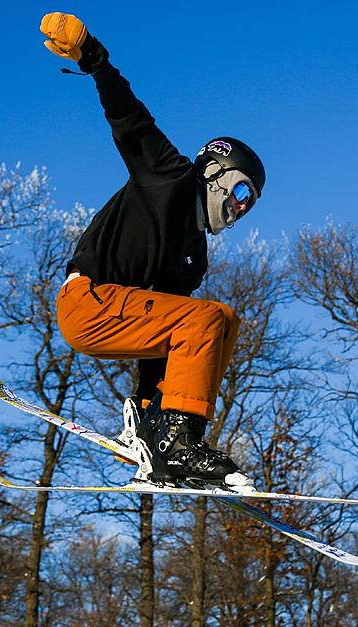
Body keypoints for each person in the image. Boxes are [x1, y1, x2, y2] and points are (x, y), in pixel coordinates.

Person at [40, 12, 266, 487]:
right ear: (217, 175)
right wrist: (93, 58)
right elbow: (130, 119)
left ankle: (158, 432)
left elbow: (165, 343)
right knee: (203, 319)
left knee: (221, 319)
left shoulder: (193, 253)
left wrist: (146, 408)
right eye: (243, 193)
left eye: (253, 204)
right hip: (88, 301)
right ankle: (180, 441)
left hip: (121, 313)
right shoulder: (171, 178)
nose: (243, 209)